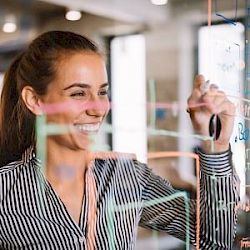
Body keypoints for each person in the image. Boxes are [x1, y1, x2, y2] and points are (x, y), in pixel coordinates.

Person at [0, 31, 239, 250]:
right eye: (78, 93)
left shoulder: (127, 177)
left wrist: (215, 146)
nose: (98, 109)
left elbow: (214, 242)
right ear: (35, 100)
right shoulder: (4, 192)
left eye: (102, 92)